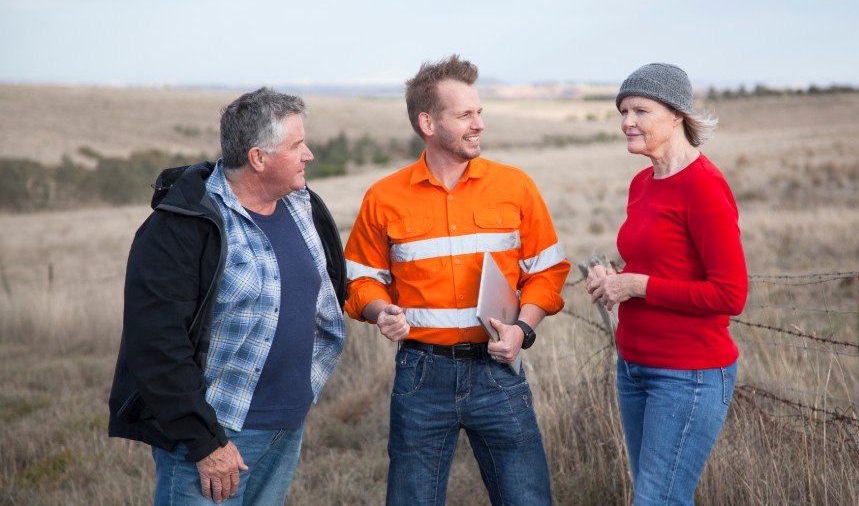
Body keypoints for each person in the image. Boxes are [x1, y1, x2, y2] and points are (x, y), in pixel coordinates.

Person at [343, 54, 570, 506]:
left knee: (527, 499)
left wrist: (523, 329)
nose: (479, 124)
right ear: (428, 122)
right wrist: (379, 310)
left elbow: (548, 272)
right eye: (465, 114)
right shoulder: (384, 197)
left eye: (479, 112)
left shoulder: (516, 187)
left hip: (499, 371)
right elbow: (360, 282)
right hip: (421, 375)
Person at [108, 87, 347, 505]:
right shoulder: (182, 226)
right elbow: (157, 346)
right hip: (217, 439)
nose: (308, 154)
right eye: (297, 145)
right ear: (259, 158)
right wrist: (205, 442)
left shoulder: (301, 205)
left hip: (286, 427)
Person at [585, 63, 748, 506]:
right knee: (659, 497)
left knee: (657, 501)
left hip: (687, 375)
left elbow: (731, 295)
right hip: (633, 366)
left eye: (640, 110)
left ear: (677, 114)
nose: (626, 122)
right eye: (622, 110)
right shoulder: (642, 183)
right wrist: (614, 278)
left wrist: (637, 286)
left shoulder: (705, 188)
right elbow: (657, 263)